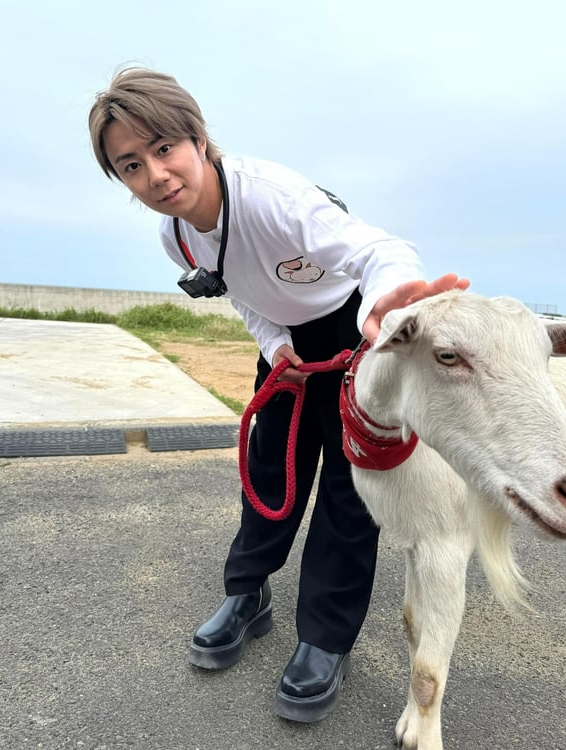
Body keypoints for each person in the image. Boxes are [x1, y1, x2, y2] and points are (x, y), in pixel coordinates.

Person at [88, 67, 469, 723]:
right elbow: (242, 290)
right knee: (270, 469)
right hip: (289, 347)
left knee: (351, 493)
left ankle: (324, 636)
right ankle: (247, 594)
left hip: (355, 332)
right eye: (130, 165)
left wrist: (385, 303)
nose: (155, 175)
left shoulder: (272, 198)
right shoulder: (174, 233)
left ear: (198, 138)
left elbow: (377, 251)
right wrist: (275, 348)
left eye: (163, 148)